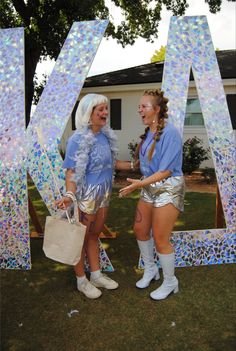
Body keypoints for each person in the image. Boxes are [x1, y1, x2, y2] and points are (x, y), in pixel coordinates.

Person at [56, 93, 133, 299]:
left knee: (94, 235)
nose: (105, 113)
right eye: (100, 110)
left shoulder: (106, 136)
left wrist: (137, 165)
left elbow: (114, 164)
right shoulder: (77, 139)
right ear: (88, 112)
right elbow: (71, 171)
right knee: (80, 239)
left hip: (105, 193)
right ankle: (82, 280)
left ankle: (96, 274)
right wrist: (70, 194)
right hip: (85, 196)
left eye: (106, 109)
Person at [119, 89, 185, 300]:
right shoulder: (149, 132)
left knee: (160, 237)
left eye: (144, 106)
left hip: (169, 186)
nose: (140, 110)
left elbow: (165, 171)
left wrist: (139, 185)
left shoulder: (171, 133)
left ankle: (170, 281)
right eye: (139, 106)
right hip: (149, 185)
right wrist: (119, 164)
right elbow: (144, 165)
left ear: (157, 110)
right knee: (140, 229)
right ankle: (151, 270)